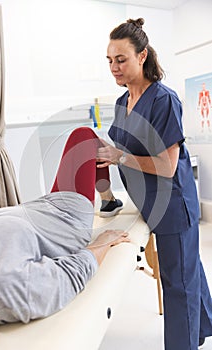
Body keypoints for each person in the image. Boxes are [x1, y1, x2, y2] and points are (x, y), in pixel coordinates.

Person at [96, 18, 212, 350]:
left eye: (121, 59)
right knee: (189, 268)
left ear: (142, 56)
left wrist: (118, 157)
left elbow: (166, 165)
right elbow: (125, 149)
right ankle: (204, 325)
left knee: (178, 283)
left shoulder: (164, 100)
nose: (114, 67)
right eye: (109, 60)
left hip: (173, 205)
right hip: (149, 203)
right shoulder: (121, 104)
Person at [0, 127, 130, 346]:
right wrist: (103, 241)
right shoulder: (0, 294)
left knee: (87, 140)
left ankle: (108, 200)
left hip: (38, 209)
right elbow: (72, 272)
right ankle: (107, 199)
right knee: (85, 137)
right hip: (66, 217)